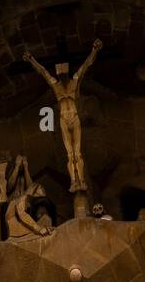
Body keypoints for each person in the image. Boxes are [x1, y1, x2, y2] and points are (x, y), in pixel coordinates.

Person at [25, 39, 103, 194]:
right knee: (70, 154)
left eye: (63, 73)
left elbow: (86, 65)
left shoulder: (74, 81)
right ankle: (74, 182)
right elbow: (43, 72)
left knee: (77, 153)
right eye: (60, 74)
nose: (62, 76)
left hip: (74, 119)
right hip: (63, 120)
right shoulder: (55, 85)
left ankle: (81, 181)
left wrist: (94, 50)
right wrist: (31, 59)